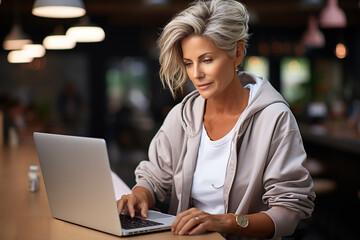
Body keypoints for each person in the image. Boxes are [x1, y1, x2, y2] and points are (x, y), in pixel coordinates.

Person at [117, 0, 315, 239]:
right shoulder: (182, 115)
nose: (196, 74)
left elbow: (289, 211)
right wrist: (140, 194)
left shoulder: (274, 118)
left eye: (207, 60)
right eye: (189, 63)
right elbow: (154, 178)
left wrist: (227, 223)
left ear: (237, 53)